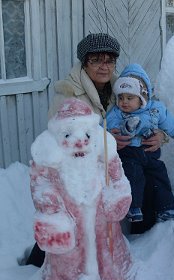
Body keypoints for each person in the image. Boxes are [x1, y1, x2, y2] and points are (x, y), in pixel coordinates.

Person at [26, 32, 165, 267]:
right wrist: (105, 141)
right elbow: (62, 140)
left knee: (149, 168)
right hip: (79, 167)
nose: (104, 66)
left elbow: (152, 111)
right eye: (96, 60)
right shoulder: (68, 94)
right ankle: (41, 261)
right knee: (74, 208)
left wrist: (161, 136)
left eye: (109, 60)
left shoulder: (123, 87)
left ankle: (146, 236)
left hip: (117, 158)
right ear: (84, 62)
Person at [106, 64, 174, 222]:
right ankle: (133, 208)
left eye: (130, 98)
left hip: (150, 152)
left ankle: (167, 207)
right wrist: (108, 135)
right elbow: (104, 127)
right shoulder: (116, 113)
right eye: (121, 97)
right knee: (133, 178)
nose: (124, 102)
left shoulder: (155, 109)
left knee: (159, 174)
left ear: (142, 97)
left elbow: (168, 121)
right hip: (129, 153)